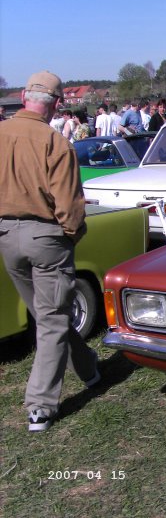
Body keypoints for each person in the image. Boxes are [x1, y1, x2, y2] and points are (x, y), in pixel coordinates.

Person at [0, 70, 100, 432]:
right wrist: (71, 235)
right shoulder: (54, 141)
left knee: (49, 314)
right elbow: (69, 204)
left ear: (24, 97)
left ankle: (88, 368)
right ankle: (40, 406)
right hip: (46, 237)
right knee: (53, 318)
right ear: (55, 104)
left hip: (6, 236)